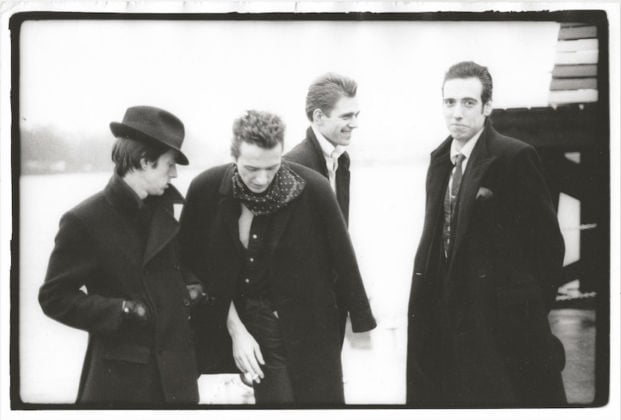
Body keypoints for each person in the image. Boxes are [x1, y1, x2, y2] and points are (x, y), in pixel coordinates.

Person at [179, 110, 376, 405]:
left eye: (272, 167)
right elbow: (186, 262)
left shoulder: (314, 189)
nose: (262, 178)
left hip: (308, 326)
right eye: (250, 169)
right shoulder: (205, 189)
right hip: (241, 321)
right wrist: (233, 328)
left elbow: (344, 260)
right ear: (233, 157)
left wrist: (361, 327)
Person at [406, 61, 567, 407]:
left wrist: (525, 311)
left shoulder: (514, 157)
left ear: (487, 106)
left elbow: (548, 247)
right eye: (450, 103)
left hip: (500, 326)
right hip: (447, 320)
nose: (457, 113)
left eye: (468, 103)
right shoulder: (439, 161)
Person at [39, 105, 204, 406]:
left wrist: (191, 287)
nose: (175, 173)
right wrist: (124, 311)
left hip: (179, 375)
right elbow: (54, 297)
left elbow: (182, 263)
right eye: (169, 164)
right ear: (144, 161)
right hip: (122, 381)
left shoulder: (173, 209)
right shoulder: (85, 220)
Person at [285, 72, 359, 226]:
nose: (355, 124)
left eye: (356, 115)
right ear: (318, 117)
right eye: (346, 117)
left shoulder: (342, 160)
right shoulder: (293, 167)